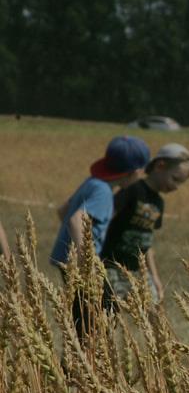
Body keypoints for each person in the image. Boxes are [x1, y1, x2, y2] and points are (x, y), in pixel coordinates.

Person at [49, 135, 151, 337]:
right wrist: (85, 260)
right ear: (133, 172)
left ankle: (79, 353)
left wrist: (71, 246)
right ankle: (83, 355)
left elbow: (63, 210)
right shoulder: (103, 192)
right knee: (102, 317)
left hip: (67, 260)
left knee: (86, 317)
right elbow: (75, 220)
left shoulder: (93, 182)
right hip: (82, 264)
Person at [101, 143, 189, 308]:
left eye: (180, 183)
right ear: (160, 166)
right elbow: (106, 220)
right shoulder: (132, 189)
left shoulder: (159, 203)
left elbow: (147, 242)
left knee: (155, 310)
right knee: (110, 313)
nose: (176, 187)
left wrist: (155, 277)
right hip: (111, 266)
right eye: (175, 179)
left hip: (139, 271)